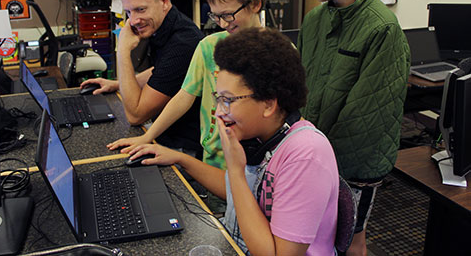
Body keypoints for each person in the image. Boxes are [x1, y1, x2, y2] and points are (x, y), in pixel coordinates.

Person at [126, 28, 339, 256]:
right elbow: (239, 191)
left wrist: (236, 170)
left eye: (227, 100)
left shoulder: (305, 155)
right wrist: (180, 159)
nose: (219, 112)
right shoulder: (262, 136)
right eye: (218, 99)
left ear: (268, 104)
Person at [294, 0, 410, 256]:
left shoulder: (382, 30)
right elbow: (301, 87)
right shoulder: (315, 19)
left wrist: (315, 163)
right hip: (310, 157)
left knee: (348, 243)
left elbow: (367, 122)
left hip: (351, 168)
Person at [107, 0, 266, 171]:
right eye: (216, 17)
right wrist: (147, 136)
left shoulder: (276, 52)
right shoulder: (208, 47)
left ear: (255, 4)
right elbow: (183, 97)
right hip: (211, 160)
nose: (223, 24)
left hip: (253, 163)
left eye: (228, 15)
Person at [81, 0, 204, 155]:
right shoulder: (168, 25)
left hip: (182, 146)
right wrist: (117, 84)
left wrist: (122, 50)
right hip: (164, 135)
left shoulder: (183, 43)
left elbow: (135, 115)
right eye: (129, 12)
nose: (134, 20)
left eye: (140, 9)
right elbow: (160, 70)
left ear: (164, 1)